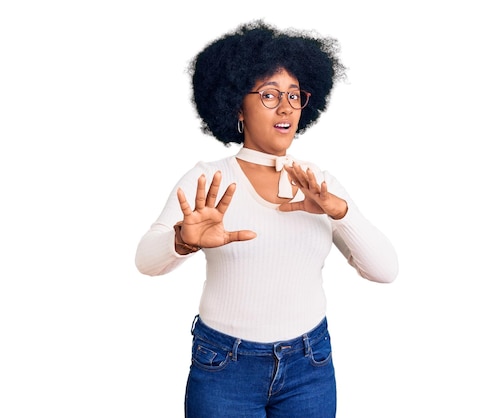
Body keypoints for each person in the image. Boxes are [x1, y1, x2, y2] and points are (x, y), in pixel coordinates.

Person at [135, 20, 399, 418]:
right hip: (225, 367)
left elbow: (386, 271)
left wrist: (339, 213)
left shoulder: (320, 185)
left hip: (309, 367)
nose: (287, 106)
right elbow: (145, 262)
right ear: (237, 105)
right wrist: (183, 241)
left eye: (294, 95)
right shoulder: (209, 179)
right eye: (270, 94)